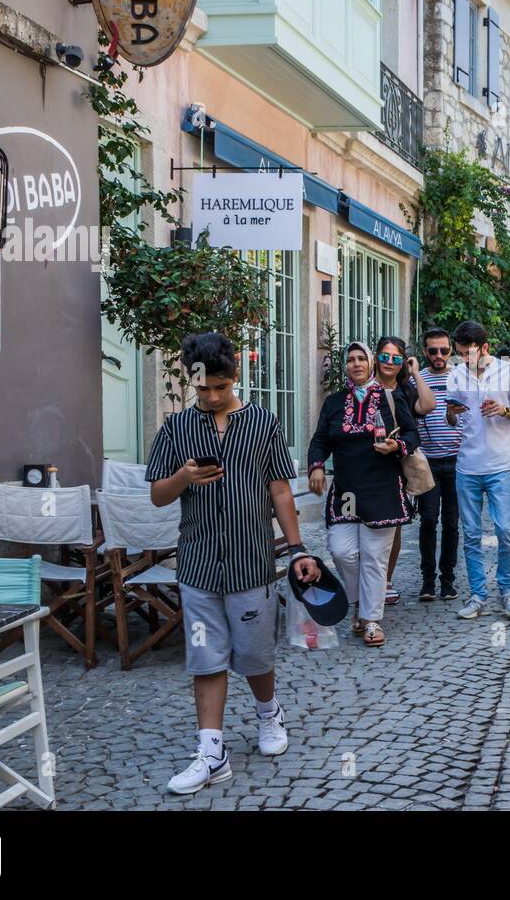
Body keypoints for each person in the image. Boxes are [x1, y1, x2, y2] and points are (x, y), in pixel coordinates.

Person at [147, 332, 319, 795]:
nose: (211, 396)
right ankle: (211, 751)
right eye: (202, 388)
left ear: (235, 377)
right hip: (199, 564)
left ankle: (268, 712)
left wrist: (298, 548)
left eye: (219, 387)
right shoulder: (177, 429)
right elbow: (157, 495)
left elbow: (281, 490)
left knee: (255, 654)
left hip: (251, 563)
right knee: (206, 658)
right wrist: (184, 476)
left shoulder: (263, 423)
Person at [307, 342, 420, 648]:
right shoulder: (334, 402)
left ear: (370, 364)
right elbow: (320, 439)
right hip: (346, 490)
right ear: (345, 365)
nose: (356, 364)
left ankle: (371, 620)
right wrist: (316, 466)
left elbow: (412, 435)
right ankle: (360, 602)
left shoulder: (390, 397)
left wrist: (398, 446)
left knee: (374, 558)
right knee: (341, 550)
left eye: (361, 359)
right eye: (351, 359)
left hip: (382, 487)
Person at [444, 320, 510, 620]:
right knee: (470, 534)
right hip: (466, 465)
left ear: (485, 348)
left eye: (470, 353)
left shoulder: (509, 371)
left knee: (505, 530)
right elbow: (452, 422)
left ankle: (507, 590)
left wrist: (504, 410)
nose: (465, 359)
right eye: (460, 353)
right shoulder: (456, 374)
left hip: (498, 463)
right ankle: (477, 595)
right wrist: (451, 413)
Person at [373, 335, 435, 607]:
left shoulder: (405, 391)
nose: (389, 362)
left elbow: (428, 405)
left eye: (396, 358)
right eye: (384, 356)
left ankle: (385, 580)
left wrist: (414, 371)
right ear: (376, 357)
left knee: (393, 527)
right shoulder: (364, 388)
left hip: (395, 464)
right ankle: (369, 579)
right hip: (366, 464)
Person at [413, 327, 461, 602]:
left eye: (444, 350)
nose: (439, 355)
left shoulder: (460, 379)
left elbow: (465, 421)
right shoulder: (418, 379)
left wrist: (452, 418)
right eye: (433, 350)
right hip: (427, 462)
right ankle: (428, 581)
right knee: (428, 520)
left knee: (452, 524)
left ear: (451, 350)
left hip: (457, 462)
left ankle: (448, 580)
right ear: (425, 352)